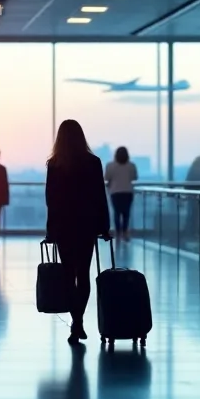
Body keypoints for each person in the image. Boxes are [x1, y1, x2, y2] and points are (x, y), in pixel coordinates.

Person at [45, 119, 111, 343]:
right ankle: (78, 322)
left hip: (64, 226)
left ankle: (77, 321)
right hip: (86, 225)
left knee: (67, 274)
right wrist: (104, 226)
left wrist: (50, 230)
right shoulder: (93, 162)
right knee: (83, 274)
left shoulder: (54, 164)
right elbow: (99, 196)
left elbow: (51, 201)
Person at [105, 146, 138, 241]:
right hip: (128, 192)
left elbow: (106, 178)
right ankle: (125, 232)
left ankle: (118, 233)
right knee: (126, 213)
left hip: (115, 192)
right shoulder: (131, 165)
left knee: (117, 213)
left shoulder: (110, 165)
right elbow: (134, 177)